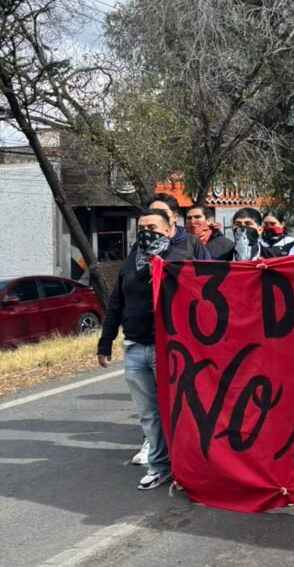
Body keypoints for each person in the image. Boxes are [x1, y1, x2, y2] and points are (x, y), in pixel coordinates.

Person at [97, 209, 189, 490]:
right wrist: (105, 341)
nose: (145, 231)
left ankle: (186, 467)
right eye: (141, 226)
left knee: (176, 411)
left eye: (152, 226)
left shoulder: (180, 261)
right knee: (149, 413)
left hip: (168, 349)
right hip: (136, 348)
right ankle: (160, 466)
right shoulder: (130, 263)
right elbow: (116, 304)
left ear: (167, 229)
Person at [146, 194, 210, 260]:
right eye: (152, 212)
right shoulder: (141, 244)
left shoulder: (193, 243)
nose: (156, 216)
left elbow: (207, 268)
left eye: (163, 212)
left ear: (175, 217)